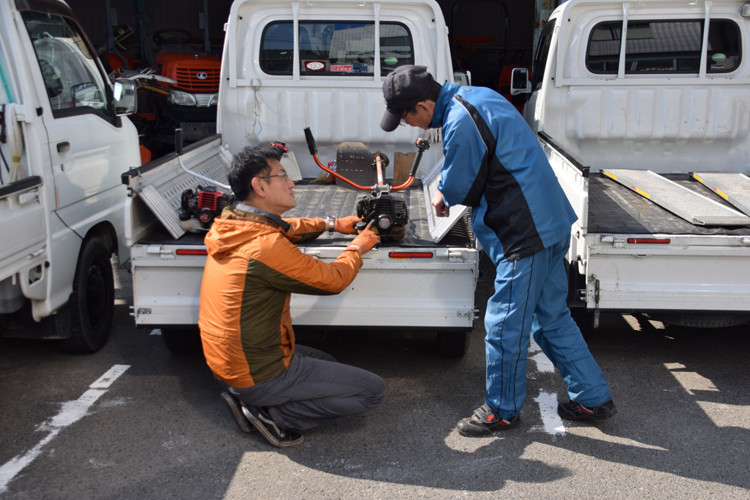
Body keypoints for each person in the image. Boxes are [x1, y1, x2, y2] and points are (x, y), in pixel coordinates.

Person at [380, 65, 616, 436]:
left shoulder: (459, 119)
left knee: (504, 324)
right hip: (549, 222)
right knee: (551, 316)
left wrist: (443, 192)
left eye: (407, 116)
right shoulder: (479, 96)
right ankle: (592, 396)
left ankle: (502, 410)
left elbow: (461, 185)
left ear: (424, 105)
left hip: (524, 235)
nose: (410, 124)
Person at [198, 143, 385, 448]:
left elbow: (287, 228)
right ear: (259, 186)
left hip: (230, 366)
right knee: (370, 390)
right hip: (258, 373)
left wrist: (333, 224)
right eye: (282, 176)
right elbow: (332, 280)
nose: (291, 183)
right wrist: (357, 247)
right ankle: (271, 415)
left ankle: (251, 396)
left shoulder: (231, 222)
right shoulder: (265, 248)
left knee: (328, 362)